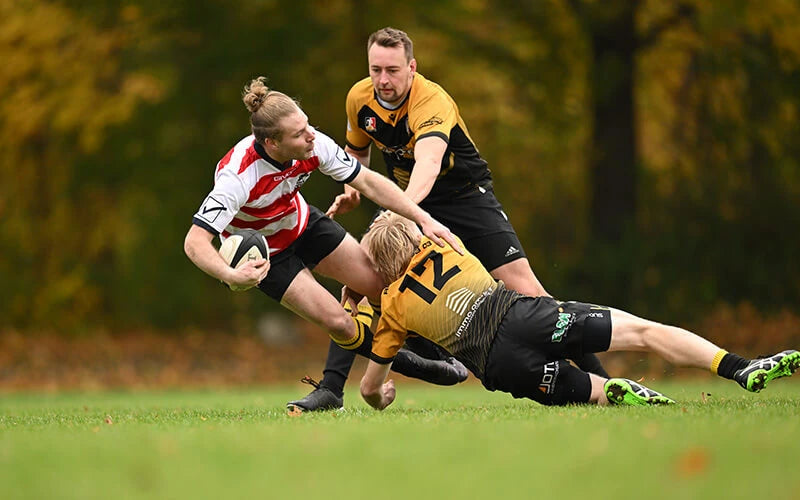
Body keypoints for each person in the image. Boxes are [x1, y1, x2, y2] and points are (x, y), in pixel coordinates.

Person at [288, 26, 608, 412]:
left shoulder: (431, 101)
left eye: (392, 70)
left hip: (463, 199)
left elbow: (428, 164)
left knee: (530, 292)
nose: (383, 80)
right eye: (376, 70)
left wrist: (403, 213)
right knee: (368, 281)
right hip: (409, 203)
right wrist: (354, 190)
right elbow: (356, 153)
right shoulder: (359, 97)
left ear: (412, 67)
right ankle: (331, 389)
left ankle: (604, 382)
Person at [184, 77, 468, 396]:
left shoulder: (313, 143)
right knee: (340, 324)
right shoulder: (237, 176)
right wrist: (230, 274)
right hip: (268, 256)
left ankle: (430, 351)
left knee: (380, 287)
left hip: (304, 224)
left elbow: (370, 183)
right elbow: (195, 242)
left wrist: (422, 218)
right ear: (272, 144)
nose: (310, 135)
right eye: (298, 133)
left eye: (308, 125)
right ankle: (422, 370)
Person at [357, 212, 800, 409]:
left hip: (501, 367)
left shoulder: (392, 310)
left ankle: (617, 391)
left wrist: (381, 398)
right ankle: (739, 368)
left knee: (593, 392)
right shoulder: (443, 241)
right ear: (415, 238)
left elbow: (370, 387)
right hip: (528, 317)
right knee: (645, 332)